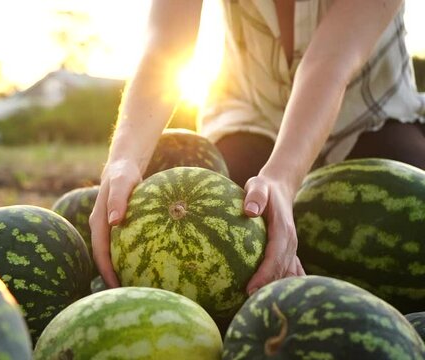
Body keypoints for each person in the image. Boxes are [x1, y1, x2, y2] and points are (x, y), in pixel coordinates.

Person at [89, 0, 425, 295]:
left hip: (370, 109)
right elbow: (165, 46)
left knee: (412, 230)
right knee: (224, 231)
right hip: (249, 111)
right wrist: (123, 159)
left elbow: (331, 61)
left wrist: (282, 177)